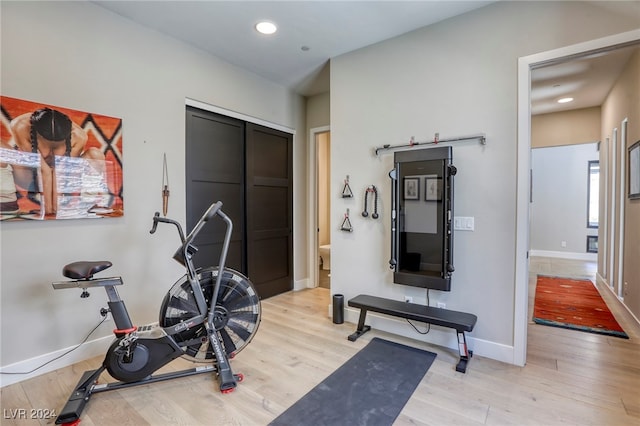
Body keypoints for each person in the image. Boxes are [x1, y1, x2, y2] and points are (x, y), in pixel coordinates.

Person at [5, 108, 105, 215]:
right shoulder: (20, 125)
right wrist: (48, 210)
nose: (51, 148)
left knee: (95, 154)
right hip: (29, 175)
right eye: (45, 142)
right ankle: (6, 202)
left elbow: (60, 171)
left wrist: (55, 210)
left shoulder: (79, 136)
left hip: (65, 179)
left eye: (57, 144)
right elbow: (43, 169)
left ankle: (88, 203)